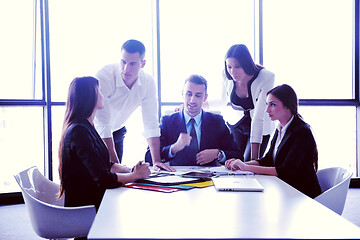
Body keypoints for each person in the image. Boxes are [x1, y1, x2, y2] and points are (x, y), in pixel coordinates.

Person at [58, 76, 151, 212]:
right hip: (86, 208)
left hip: (94, 200)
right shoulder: (79, 131)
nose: (102, 95)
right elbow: (103, 179)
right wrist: (135, 176)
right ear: (91, 97)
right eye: (99, 91)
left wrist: (129, 170)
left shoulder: (86, 127)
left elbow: (102, 165)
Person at [225, 84, 322, 198]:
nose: (267, 110)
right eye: (267, 104)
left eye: (273, 105)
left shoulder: (302, 132)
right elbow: (268, 159)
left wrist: (246, 168)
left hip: (302, 194)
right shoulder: (280, 127)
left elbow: (285, 171)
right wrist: (240, 164)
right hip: (286, 190)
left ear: (288, 106)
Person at [94, 39, 172, 171]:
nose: (126, 68)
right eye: (123, 62)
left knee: (115, 180)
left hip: (117, 131)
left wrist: (156, 161)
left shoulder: (148, 82)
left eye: (132, 64)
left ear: (143, 64)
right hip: (95, 132)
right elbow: (103, 125)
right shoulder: (104, 77)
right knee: (104, 175)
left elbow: (150, 122)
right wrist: (121, 169)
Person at [145, 74, 243, 167]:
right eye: (189, 94)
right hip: (176, 179)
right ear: (182, 94)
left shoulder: (217, 121)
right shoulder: (167, 121)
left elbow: (238, 155)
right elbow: (149, 158)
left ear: (205, 98)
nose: (192, 100)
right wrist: (174, 148)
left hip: (209, 179)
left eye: (198, 95)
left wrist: (217, 154)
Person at [215, 44, 275, 161]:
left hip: (260, 127)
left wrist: (253, 162)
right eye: (229, 67)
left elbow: (258, 118)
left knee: (247, 163)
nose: (233, 72)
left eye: (237, 66)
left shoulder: (266, 77)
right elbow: (221, 101)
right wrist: (197, 103)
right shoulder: (226, 75)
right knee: (231, 163)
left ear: (246, 64)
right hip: (237, 125)